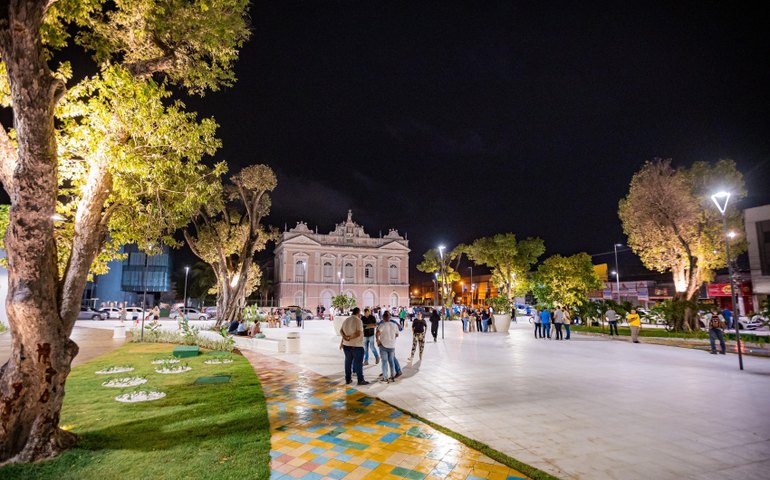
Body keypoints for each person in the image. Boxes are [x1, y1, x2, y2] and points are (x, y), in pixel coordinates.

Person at [340, 307, 369, 385]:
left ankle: (348, 379)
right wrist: (349, 338)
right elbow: (358, 333)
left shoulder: (346, 320)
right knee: (358, 364)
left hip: (346, 345)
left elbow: (341, 330)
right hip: (356, 346)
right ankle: (360, 380)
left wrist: (344, 337)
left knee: (348, 363)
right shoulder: (358, 320)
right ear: (358, 313)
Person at [377, 311, 399, 383]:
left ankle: (385, 378)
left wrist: (378, 341)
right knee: (391, 361)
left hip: (383, 345)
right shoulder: (394, 325)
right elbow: (397, 334)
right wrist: (392, 339)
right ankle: (392, 376)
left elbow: (377, 333)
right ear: (389, 317)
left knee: (384, 362)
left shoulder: (382, 325)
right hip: (392, 346)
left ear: (383, 317)